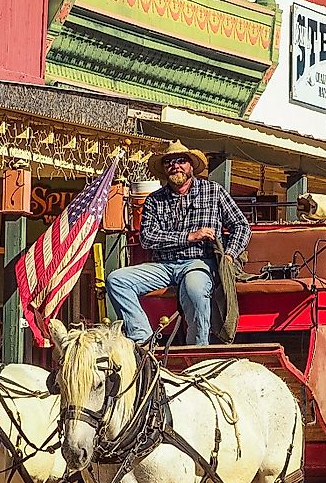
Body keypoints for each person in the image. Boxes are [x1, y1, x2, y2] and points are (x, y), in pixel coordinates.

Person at [105, 141, 249, 348]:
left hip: (199, 262)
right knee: (117, 280)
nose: (175, 166)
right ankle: (143, 338)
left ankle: (197, 351)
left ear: (191, 166)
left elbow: (241, 225)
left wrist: (229, 255)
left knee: (195, 289)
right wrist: (189, 236)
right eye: (169, 162)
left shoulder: (213, 191)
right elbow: (147, 238)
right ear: (164, 169)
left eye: (181, 161)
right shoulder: (154, 200)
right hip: (162, 266)